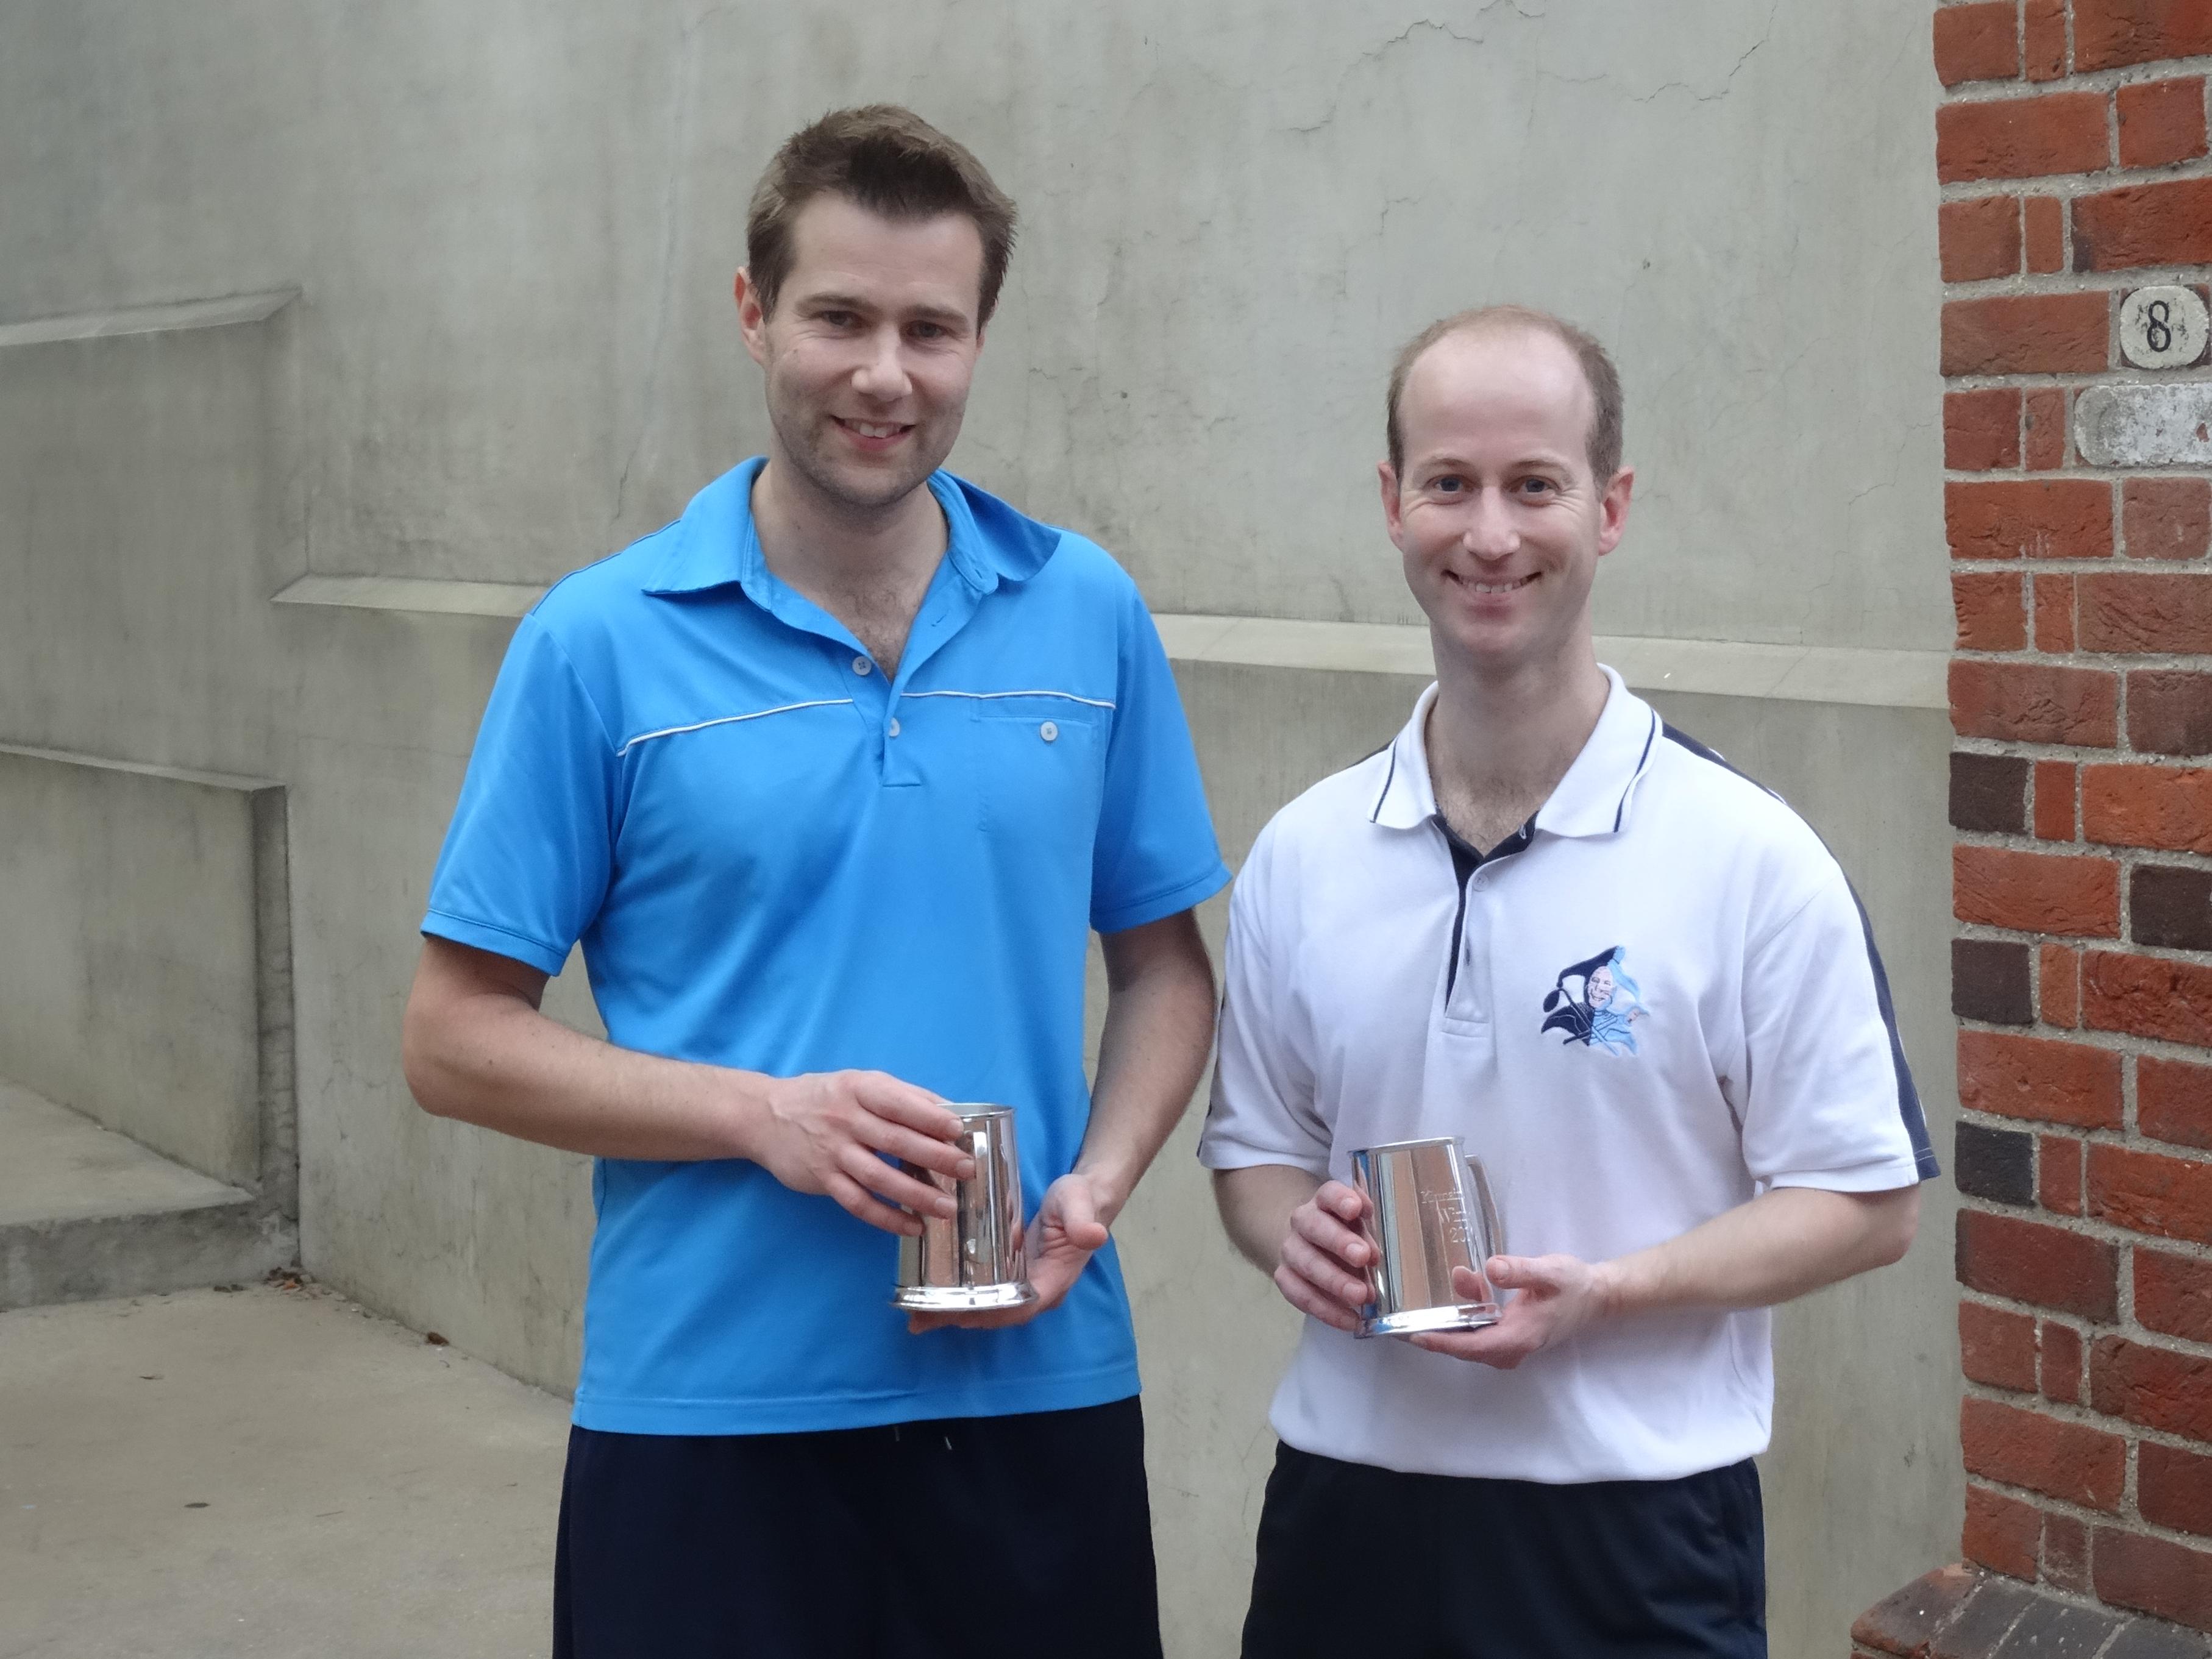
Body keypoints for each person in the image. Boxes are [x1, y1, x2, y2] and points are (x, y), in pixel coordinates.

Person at [400, 104, 1228, 1659]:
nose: (884, 375)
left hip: (1035, 1390)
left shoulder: (1088, 610)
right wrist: (762, 1115)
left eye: (933, 328)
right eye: (840, 316)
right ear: (752, 310)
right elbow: (452, 1035)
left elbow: (1168, 967)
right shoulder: (598, 640)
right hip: (706, 1410)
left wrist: (1100, 1179)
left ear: (981, 338)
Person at [1200, 305, 1937, 1658]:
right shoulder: (1305, 852)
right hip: (1346, 1527)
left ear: (1611, 506)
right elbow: (1254, 1158)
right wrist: (1290, 1232)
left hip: (1637, 1533)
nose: (1490, 534)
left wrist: (1611, 1292)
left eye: (1535, 484)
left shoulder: (1748, 855)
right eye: (1450, 483)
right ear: (1392, 500)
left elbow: (1867, 1202)